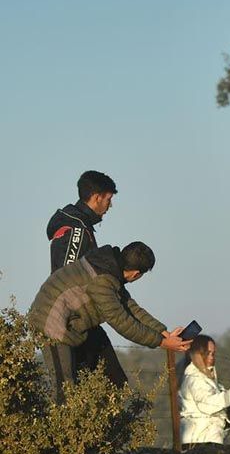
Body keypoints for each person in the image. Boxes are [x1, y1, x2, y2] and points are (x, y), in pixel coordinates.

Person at [28, 241, 190, 400]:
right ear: (136, 274)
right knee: (64, 391)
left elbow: (130, 308)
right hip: (50, 324)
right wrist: (161, 343)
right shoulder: (103, 281)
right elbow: (122, 321)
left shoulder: (109, 269)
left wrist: (164, 333)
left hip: (71, 325)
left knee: (108, 382)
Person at [45, 170, 127, 387]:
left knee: (114, 383)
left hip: (81, 320)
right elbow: (65, 276)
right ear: (97, 197)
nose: (110, 206)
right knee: (98, 386)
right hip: (71, 323)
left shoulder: (81, 225)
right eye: (109, 200)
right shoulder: (76, 230)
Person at [178, 335, 230, 445]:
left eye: (213, 353)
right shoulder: (195, 379)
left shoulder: (207, 377)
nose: (212, 357)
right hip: (200, 441)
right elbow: (208, 404)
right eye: (208, 353)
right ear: (199, 353)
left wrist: (228, 411)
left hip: (206, 439)